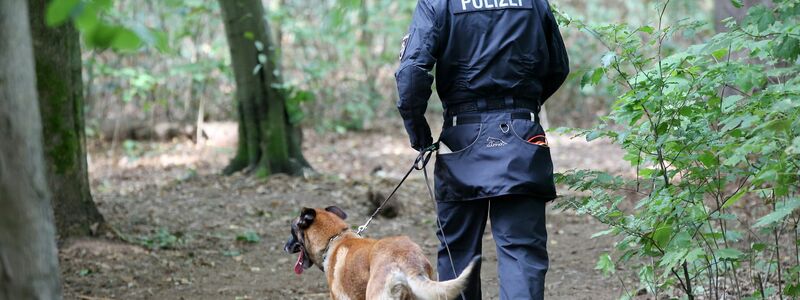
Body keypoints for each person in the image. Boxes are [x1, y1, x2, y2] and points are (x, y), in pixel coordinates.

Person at [394, 0, 569, 299]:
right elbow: (558, 67)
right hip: (522, 137)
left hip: (460, 139)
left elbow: (411, 74)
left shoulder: (437, 3)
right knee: (522, 251)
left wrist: (419, 134)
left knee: (457, 251)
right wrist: (524, 104)